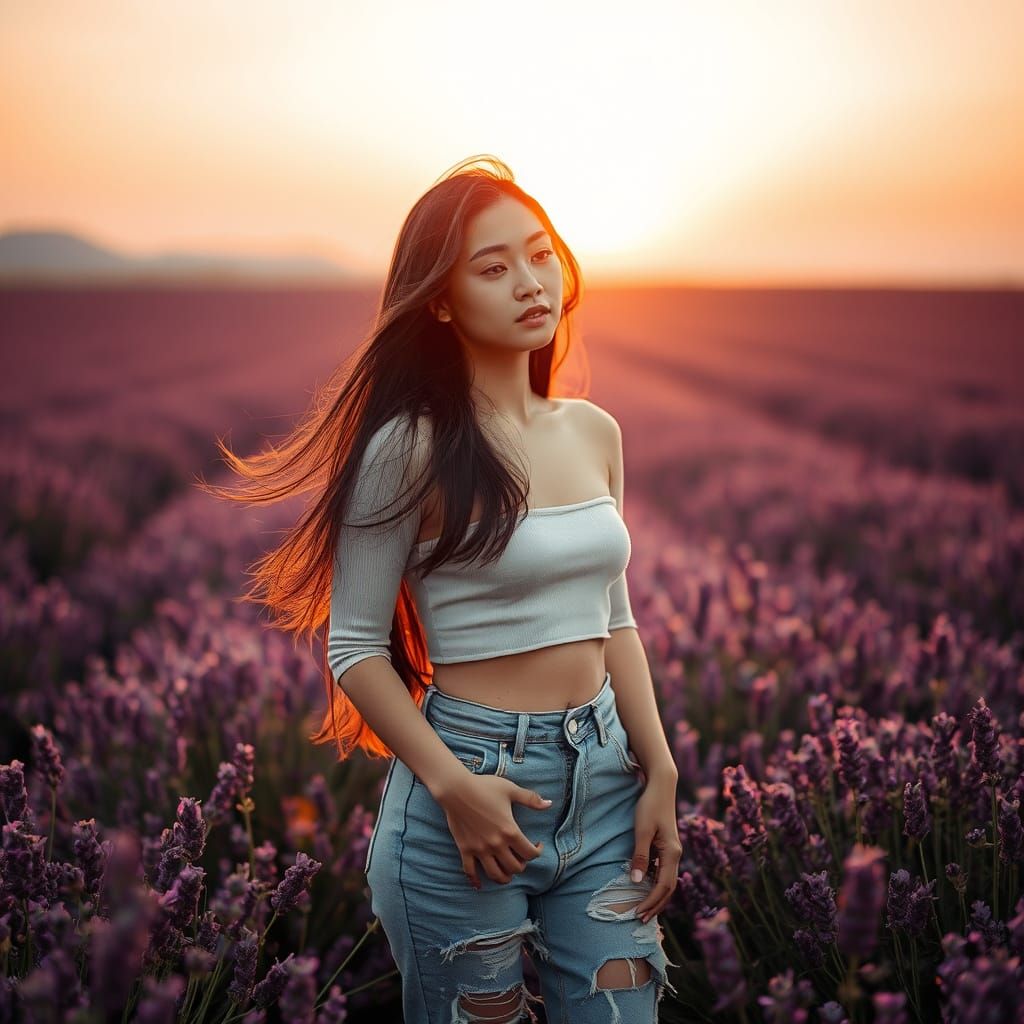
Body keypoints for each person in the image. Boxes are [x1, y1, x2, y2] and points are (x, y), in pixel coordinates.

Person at [211, 155, 682, 1023]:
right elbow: (354, 647)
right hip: (467, 779)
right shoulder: (408, 446)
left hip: (606, 774)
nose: (531, 283)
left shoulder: (593, 430)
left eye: (540, 256)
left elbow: (614, 618)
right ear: (440, 299)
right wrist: (452, 788)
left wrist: (660, 766)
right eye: (493, 268)